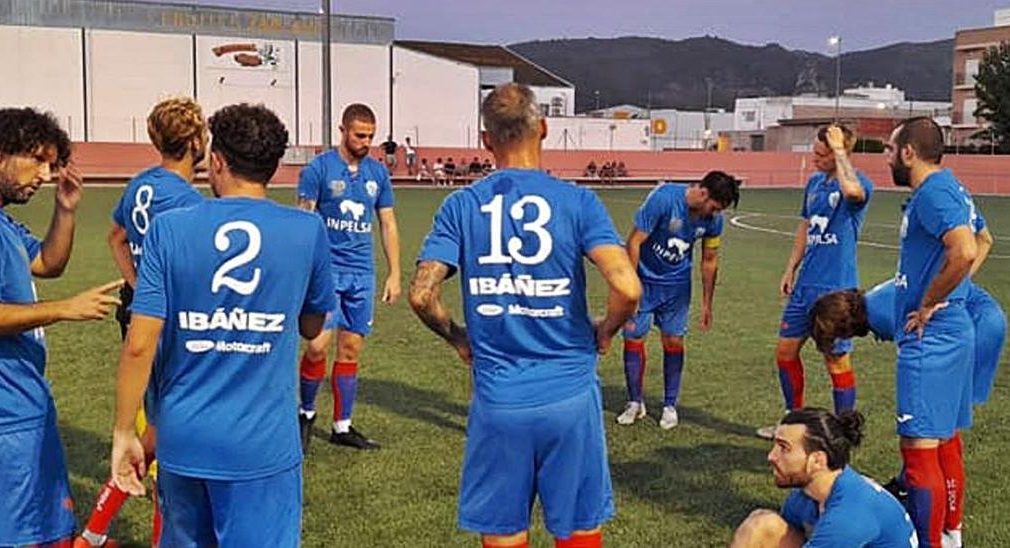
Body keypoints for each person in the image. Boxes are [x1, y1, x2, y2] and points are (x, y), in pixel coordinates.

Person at [408, 83, 642, 548]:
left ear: (485, 141)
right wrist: (606, 330)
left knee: (504, 532)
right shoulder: (577, 202)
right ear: (545, 129)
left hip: (499, 401)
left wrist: (458, 336)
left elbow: (421, 295)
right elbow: (627, 286)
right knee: (577, 529)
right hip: (570, 395)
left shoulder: (461, 205)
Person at [109, 103, 336, 547]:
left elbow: (139, 344)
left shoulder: (169, 229)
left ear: (217, 161)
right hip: (262, 444)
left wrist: (124, 433)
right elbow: (312, 326)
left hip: (184, 439)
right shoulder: (307, 230)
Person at [0, 107, 123, 547]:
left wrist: (66, 211)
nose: (44, 175)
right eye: (37, 159)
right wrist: (64, 309)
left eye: (51, 165)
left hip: (1, 402)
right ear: (0, 152)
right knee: (30, 537)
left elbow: (46, 262)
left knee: (5, 534)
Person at [810, 210, 1002, 548]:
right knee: (943, 436)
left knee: (930, 442)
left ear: (845, 326)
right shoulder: (876, 298)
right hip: (983, 322)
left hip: (973, 328)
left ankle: (937, 533)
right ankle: (949, 528)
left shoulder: (883, 313)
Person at [76, 97, 208, 548]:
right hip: (171, 330)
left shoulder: (140, 185)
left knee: (156, 432)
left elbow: (115, 236)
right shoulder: (188, 201)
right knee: (170, 442)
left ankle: (93, 535)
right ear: (195, 140)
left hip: (138, 316)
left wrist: (136, 288)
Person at [884, 117, 979, 548]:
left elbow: (965, 249)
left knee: (919, 444)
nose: (887, 157)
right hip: (953, 330)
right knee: (943, 438)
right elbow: (985, 238)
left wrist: (928, 302)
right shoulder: (951, 186)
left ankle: (931, 543)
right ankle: (951, 534)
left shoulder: (932, 192)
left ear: (908, 152)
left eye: (890, 149)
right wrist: (954, 292)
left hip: (933, 337)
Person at [758, 125, 875, 440]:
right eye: (815, 153)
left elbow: (853, 193)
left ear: (840, 153)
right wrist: (790, 268)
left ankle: (842, 432)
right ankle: (792, 423)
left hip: (836, 292)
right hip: (805, 286)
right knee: (785, 352)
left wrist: (839, 152)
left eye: (821, 155)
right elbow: (804, 226)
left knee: (836, 361)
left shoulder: (858, 184)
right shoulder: (813, 183)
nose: (814, 160)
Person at [296, 103, 401, 450]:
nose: (365, 141)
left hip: (361, 274)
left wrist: (394, 273)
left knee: (351, 348)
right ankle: (306, 413)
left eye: (370, 135)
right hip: (326, 273)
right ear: (342, 130)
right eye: (359, 135)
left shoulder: (377, 174)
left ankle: (342, 426)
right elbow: (304, 221)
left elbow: (387, 222)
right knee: (316, 347)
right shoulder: (319, 169)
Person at [616, 173, 740, 430]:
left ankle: (669, 405)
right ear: (704, 194)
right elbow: (634, 242)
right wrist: (631, 288)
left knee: (673, 341)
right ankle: (634, 402)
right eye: (715, 207)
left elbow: (709, 260)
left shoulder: (714, 221)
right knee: (633, 338)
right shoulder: (663, 199)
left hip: (676, 288)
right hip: (644, 283)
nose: (715, 214)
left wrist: (707, 303)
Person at [730, 408, 917, 548]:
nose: (771, 456)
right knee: (763, 524)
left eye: (783, 448)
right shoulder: (805, 494)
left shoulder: (847, 517)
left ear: (817, 461)